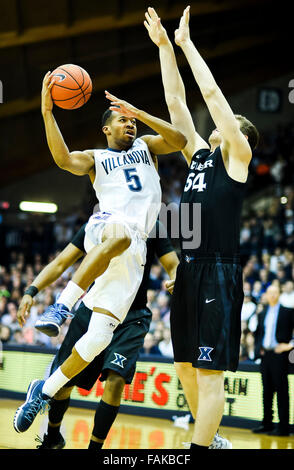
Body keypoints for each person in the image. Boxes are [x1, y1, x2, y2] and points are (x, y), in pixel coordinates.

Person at [13, 74, 187, 433]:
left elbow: (180, 140)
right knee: (119, 234)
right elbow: (63, 160)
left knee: (98, 340)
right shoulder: (96, 158)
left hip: (135, 248)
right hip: (106, 224)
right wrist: (48, 113)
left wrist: (140, 111)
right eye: (122, 120)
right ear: (106, 130)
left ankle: (41, 391)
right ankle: (62, 305)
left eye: (132, 121)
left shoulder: (148, 147)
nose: (130, 124)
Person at [144, 6, 259, 450]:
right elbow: (177, 103)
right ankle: (210, 440)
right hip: (190, 269)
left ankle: (197, 450)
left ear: (241, 137)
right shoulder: (201, 157)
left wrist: (187, 44)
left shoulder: (237, 158)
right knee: (185, 368)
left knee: (209, 373)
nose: (217, 126)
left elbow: (210, 94)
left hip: (218, 270)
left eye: (230, 127)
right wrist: (164, 51)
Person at [16, 220, 179, 448]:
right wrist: (31, 290)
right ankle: (52, 436)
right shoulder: (98, 223)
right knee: (65, 382)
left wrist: (177, 276)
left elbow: (172, 262)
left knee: (116, 381)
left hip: (133, 316)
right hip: (94, 307)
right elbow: (62, 261)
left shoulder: (151, 224)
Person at [252, 284, 294, 436]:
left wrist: (289, 345)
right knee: (267, 391)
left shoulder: (287, 311)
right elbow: (258, 334)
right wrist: (259, 349)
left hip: (280, 356)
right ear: (266, 295)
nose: (272, 295)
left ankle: (283, 428)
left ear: (279, 294)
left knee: (282, 392)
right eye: (270, 293)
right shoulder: (262, 313)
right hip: (266, 356)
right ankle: (267, 424)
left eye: (275, 292)